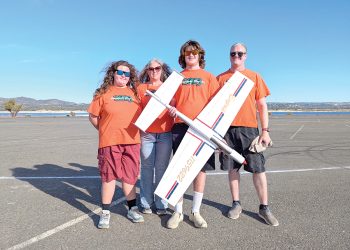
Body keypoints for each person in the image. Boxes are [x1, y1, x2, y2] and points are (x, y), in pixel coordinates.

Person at [217, 43, 279, 226]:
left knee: (258, 169)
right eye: (233, 53)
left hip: (250, 130)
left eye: (240, 53)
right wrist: (217, 133)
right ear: (229, 56)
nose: (236, 56)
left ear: (246, 56)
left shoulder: (254, 77)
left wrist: (265, 132)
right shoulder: (220, 78)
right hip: (227, 131)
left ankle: (264, 207)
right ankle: (236, 204)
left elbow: (262, 106)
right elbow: (215, 108)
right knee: (232, 168)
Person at [166, 40, 220, 229]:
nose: (191, 55)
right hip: (181, 127)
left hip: (202, 129)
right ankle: (178, 211)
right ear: (183, 56)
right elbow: (170, 101)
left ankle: (196, 211)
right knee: (179, 169)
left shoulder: (209, 77)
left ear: (200, 55)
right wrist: (171, 109)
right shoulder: (177, 77)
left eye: (194, 52)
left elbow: (217, 104)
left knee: (200, 170)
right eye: (187, 52)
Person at [88, 60, 144, 229]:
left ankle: (132, 208)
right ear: (113, 73)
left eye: (127, 73)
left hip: (132, 141)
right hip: (109, 142)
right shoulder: (103, 93)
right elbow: (93, 116)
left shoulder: (135, 93)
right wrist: (104, 130)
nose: (123, 76)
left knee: (130, 176)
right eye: (120, 72)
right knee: (109, 177)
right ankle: (105, 212)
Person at [137, 59, 173, 215]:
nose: (154, 71)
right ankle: (146, 202)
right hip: (147, 134)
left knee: (161, 169)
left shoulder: (170, 88)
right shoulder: (141, 88)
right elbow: (136, 109)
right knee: (146, 168)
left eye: (157, 68)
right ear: (147, 71)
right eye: (151, 69)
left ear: (162, 70)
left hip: (165, 133)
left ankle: (161, 203)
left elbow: (177, 106)